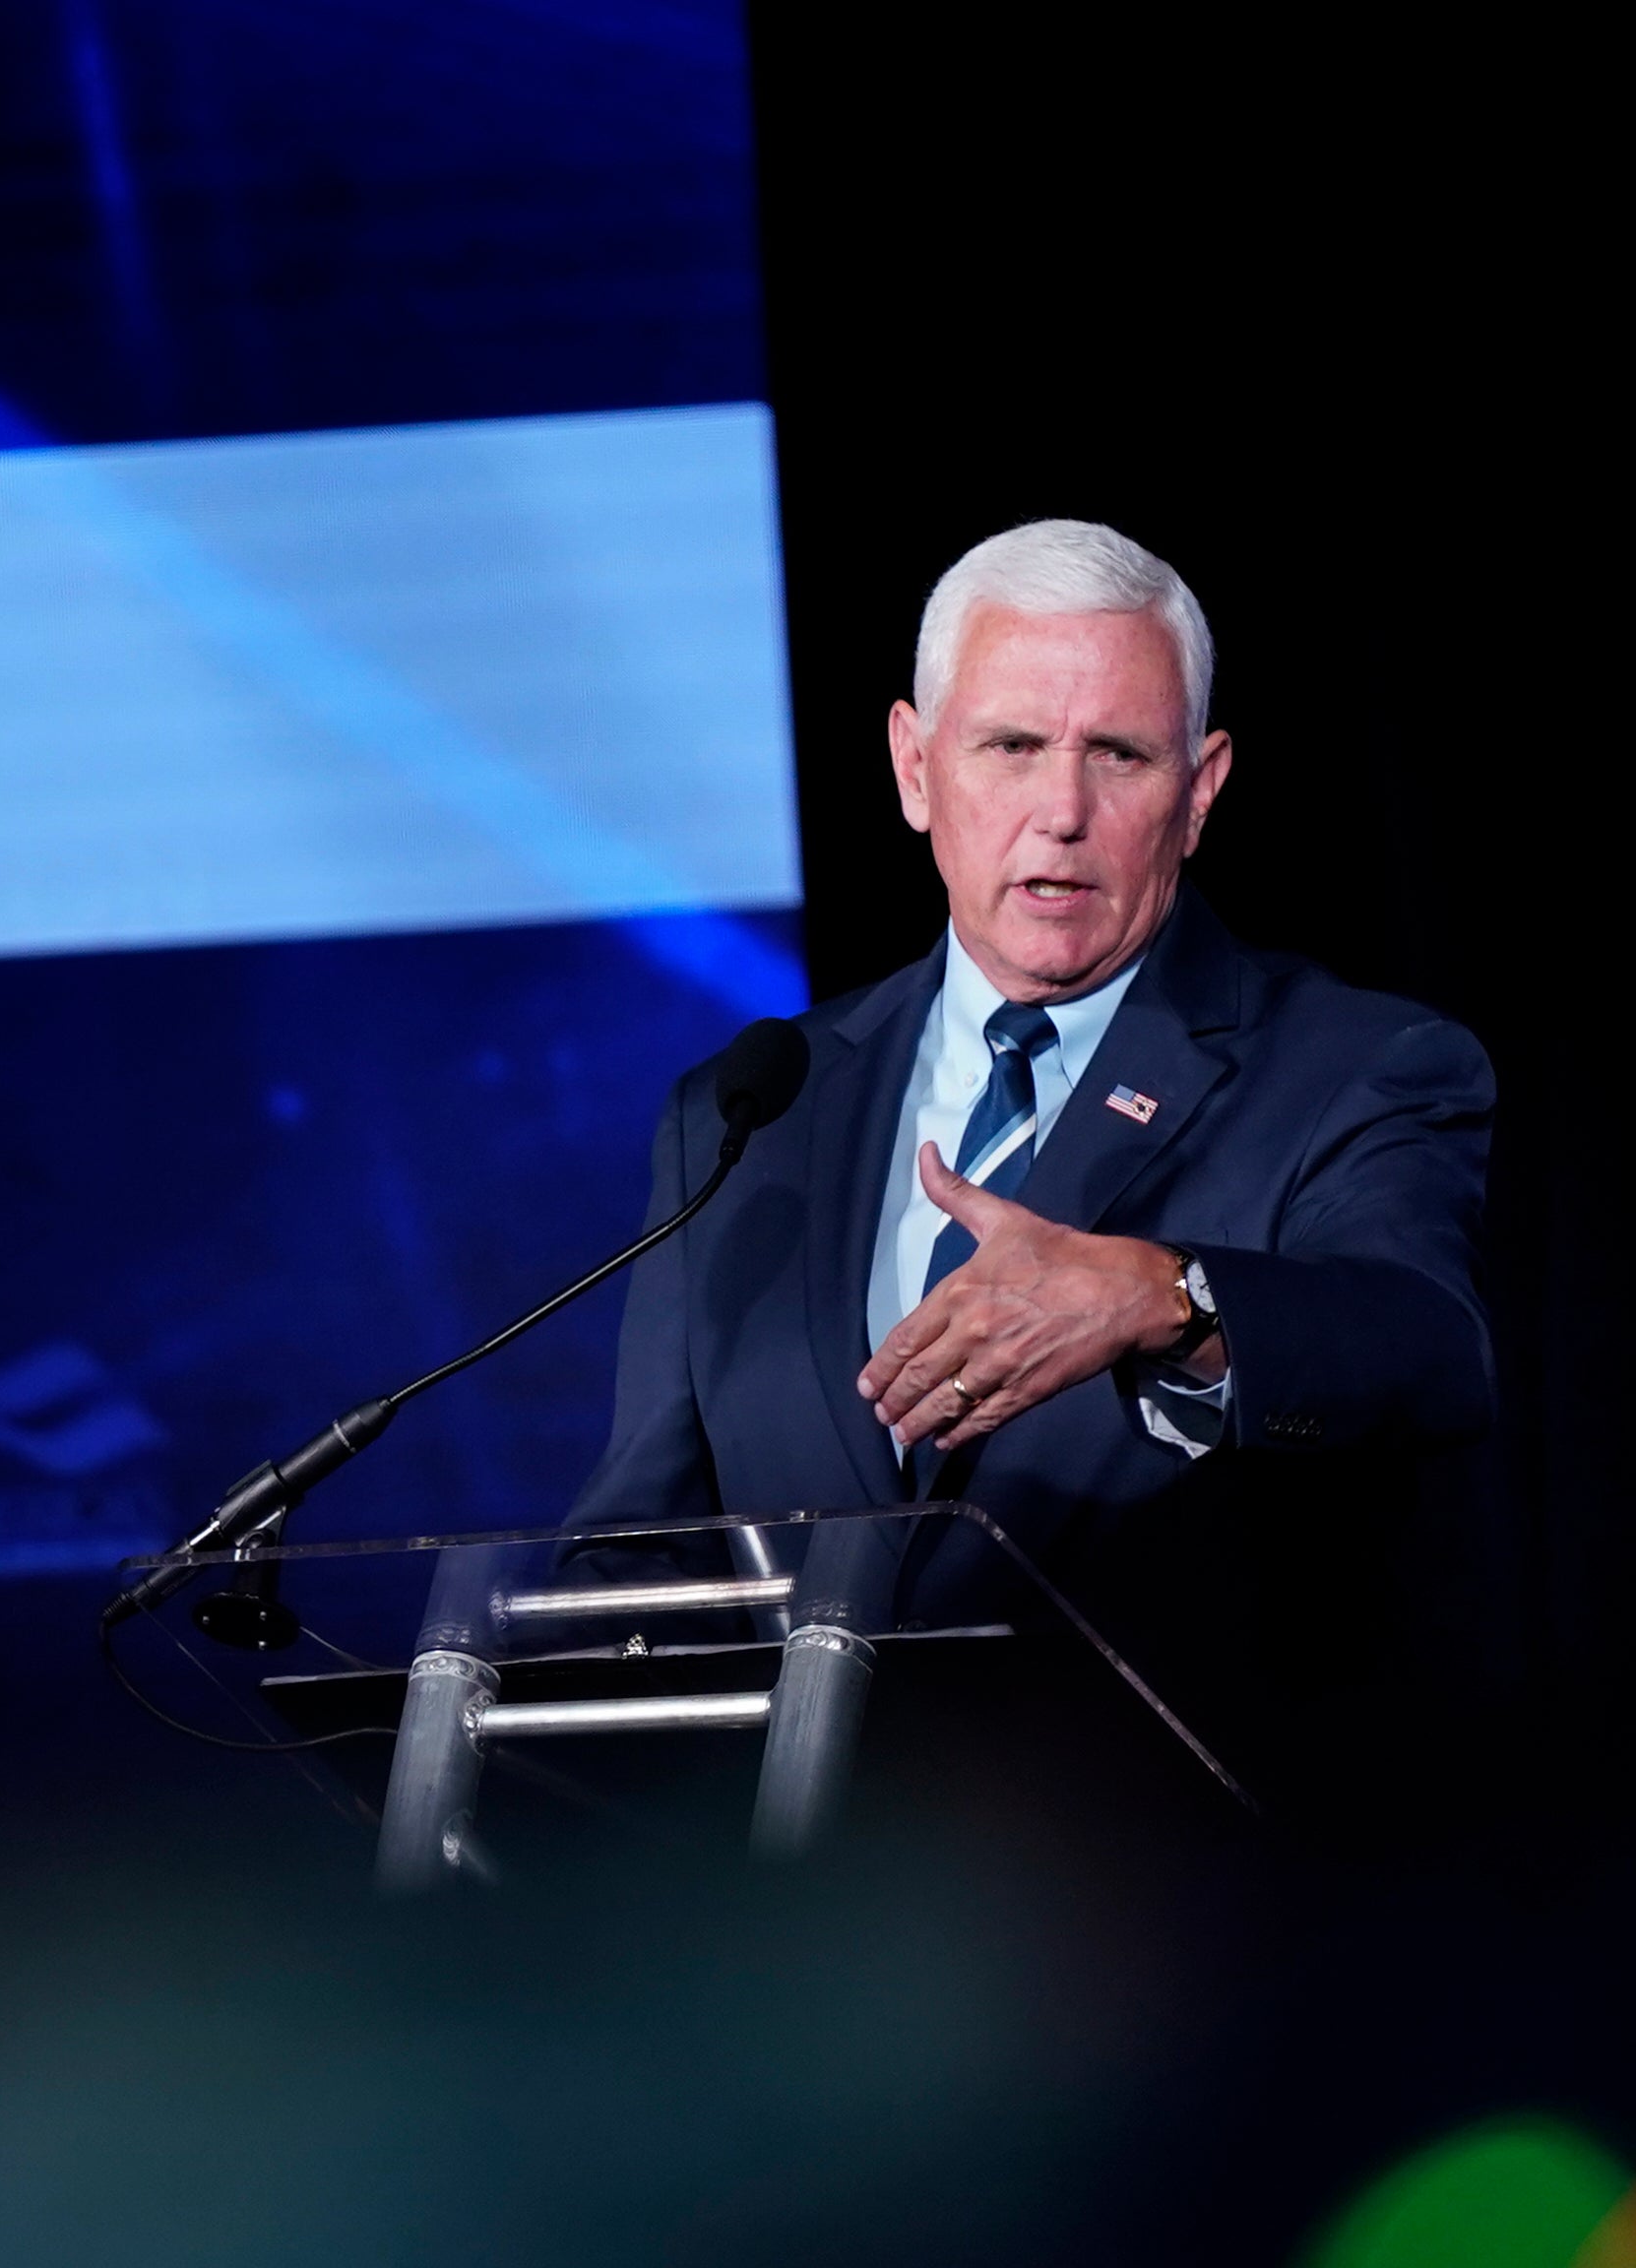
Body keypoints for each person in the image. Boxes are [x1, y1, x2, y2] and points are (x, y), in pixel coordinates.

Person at [571, 520, 1496, 1742]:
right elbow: (642, 1558)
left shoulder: (1350, 1068)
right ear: (914, 767)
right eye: (1010, 745)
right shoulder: (751, 1110)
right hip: (809, 1891)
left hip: (1178, 1887)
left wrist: (1163, 1296)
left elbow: (1425, 1352)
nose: (1060, 809)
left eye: (1115, 754)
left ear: (1198, 791)